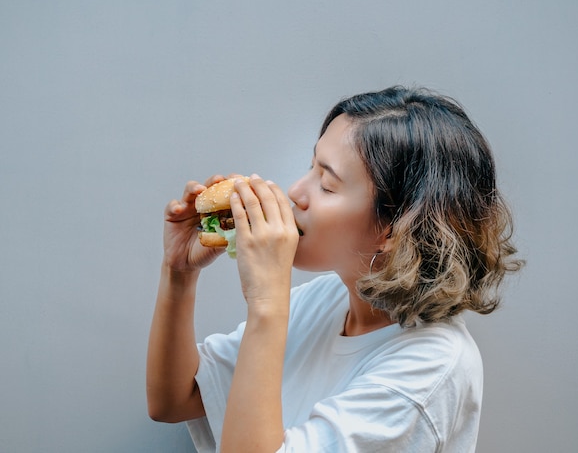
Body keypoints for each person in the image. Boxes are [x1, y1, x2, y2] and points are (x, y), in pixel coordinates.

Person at [146, 86, 523, 452]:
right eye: (310, 167)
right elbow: (177, 400)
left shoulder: (429, 371)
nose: (295, 191)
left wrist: (267, 302)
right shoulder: (326, 299)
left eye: (327, 185)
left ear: (395, 229)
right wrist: (178, 273)